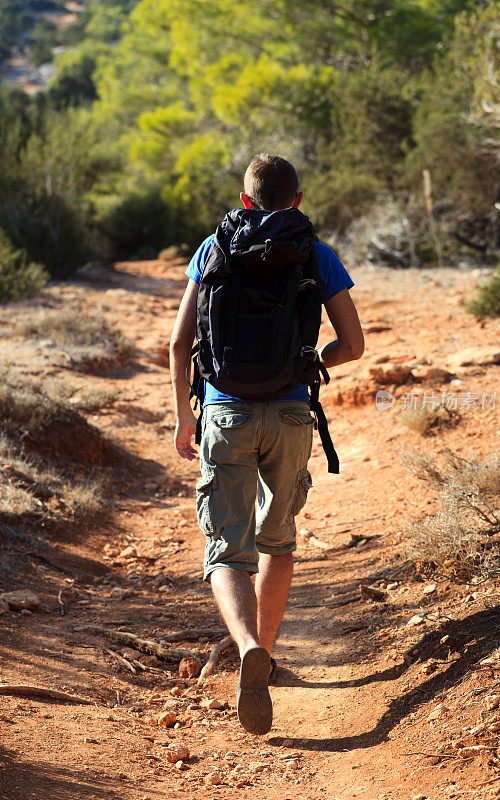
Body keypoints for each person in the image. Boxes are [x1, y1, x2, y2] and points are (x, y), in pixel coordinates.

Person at [170, 154, 364, 734]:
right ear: (297, 201)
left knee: (227, 548)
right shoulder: (315, 253)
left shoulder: (213, 248)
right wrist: (310, 363)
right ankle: (268, 657)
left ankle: (247, 644)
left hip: (223, 410)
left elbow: (179, 345)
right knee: (277, 541)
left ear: (246, 199)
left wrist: (183, 418)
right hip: (289, 412)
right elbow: (353, 345)